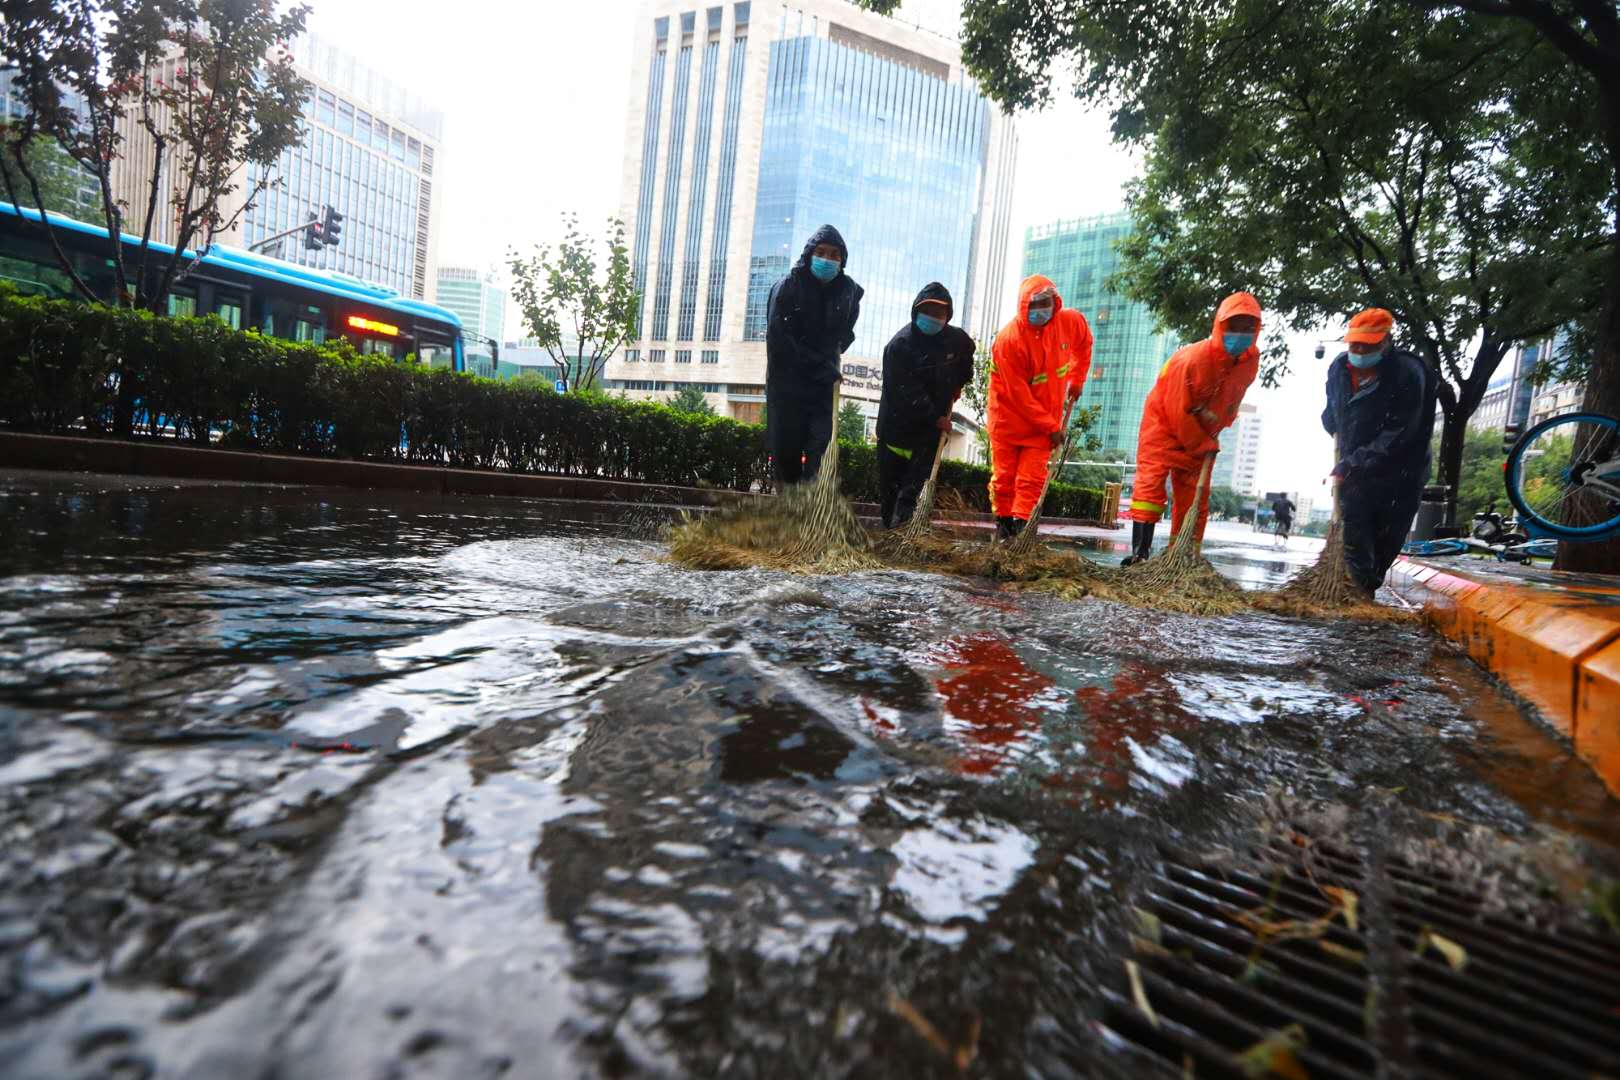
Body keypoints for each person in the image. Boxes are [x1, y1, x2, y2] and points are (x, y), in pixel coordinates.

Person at [1122, 292, 1263, 565]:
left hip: (1203, 433)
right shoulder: (1190, 361)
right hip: (1162, 425)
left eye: (1249, 327)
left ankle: (1183, 557)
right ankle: (1140, 553)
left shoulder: (1249, 362)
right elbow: (1178, 412)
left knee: (1195, 500)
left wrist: (1216, 428)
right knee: (1150, 488)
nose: (1241, 333)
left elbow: (1232, 399)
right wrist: (1204, 444)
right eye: (1235, 326)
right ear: (1220, 326)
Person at [1322, 308, 1436, 597]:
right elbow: (1334, 410)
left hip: (1401, 474)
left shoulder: (1409, 374)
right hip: (1355, 472)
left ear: (1385, 343)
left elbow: (1399, 433)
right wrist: (1330, 423)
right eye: (1354, 344)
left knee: (1386, 540)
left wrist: (1355, 461)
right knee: (1355, 535)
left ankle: (1366, 588)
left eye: (1368, 345)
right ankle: (1352, 593)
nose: (1359, 351)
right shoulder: (1338, 369)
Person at [986, 275, 1092, 540]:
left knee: (1030, 481)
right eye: (1034, 305)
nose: (1040, 310)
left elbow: (1084, 344)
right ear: (1023, 306)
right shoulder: (1009, 340)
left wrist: (1077, 380)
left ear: (1055, 302)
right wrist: (1053, 427)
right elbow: (1019, 396)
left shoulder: (1069, 322)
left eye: (1046, 302)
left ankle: (1021, 536)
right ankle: (1003, 530)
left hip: (1042, 427)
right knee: (1004, 480)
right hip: (1008, 421)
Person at [765, 224, 863, 486]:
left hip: (822, 390)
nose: (827, 260)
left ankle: (811, 514)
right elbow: (780, 342)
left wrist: (838, 347)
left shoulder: (849, 291)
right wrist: (820, 366)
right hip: (787, 387)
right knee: (787, 455)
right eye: (821, 252)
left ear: (842, 260)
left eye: (835, 255)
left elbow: (846, 331)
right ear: (809, 254)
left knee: (820, 452)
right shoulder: (788, 287)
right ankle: (788, 514)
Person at [875, 282, 975, 528]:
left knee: (911, 491)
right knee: (890, 492)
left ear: (947, 316)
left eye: (939, 313)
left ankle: (904, 532)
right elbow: (905, 393)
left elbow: (966, 359)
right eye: (927, 311)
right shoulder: (900, 346)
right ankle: (890, 531)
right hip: (895, 429)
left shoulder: (956, 341)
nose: (933, 317)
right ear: (916, 311)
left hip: (927, 437)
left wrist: (959, 383)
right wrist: (935, 417)